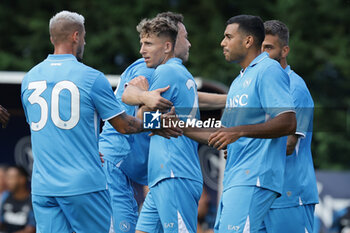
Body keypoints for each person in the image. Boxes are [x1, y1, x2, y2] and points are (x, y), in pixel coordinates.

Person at [21, 10, 179, 233]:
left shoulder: (29, 78)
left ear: (51, 38)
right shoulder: (92, 76)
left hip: (43, 187)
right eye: (84, 36)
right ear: (76, 36)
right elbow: (126, 124)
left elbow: (48, 131)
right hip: (86, 183)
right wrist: (156, 123)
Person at [178, 15, 296, 233]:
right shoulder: (239, 80)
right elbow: (222, 134)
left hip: (254, 177)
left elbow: (288, 121)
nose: (223, 42)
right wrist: (179, 126)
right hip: (235, 178)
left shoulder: (268, 70)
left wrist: (239, 132)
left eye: (228, 37)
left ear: (248, 41)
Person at [99, 11, 192, 233]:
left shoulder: (167, 72)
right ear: (171, 41)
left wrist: (227, 99)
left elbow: (187, 97)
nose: (188, 42)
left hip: (131, 169)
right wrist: (146, 99)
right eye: (185, 36)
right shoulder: (149, 69)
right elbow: (135, 108)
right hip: (117, 163)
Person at [134, 16, 203, 233]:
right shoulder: (177, 72)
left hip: (174, 172)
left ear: (166, 47)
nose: (142, 50)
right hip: (164, 175)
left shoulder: (166, 72)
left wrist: (141, 95)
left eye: (148, 44)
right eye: (141, 44)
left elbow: (139, 121)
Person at [259, 20, 318, 233]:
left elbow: (287, 145)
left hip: (290, 194)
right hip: (264, 193)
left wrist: (240, 140)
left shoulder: (296, 88)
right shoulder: (260, 85)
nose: (263, 54)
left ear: (285, 50)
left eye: (269, 47)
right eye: (260, 47)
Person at [0, 166, 35, 233]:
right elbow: (1, 221)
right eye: (7, 178)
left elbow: (32, 229)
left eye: (11, 178)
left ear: (22, 179)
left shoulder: (32, 200)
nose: (8, 182)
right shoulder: (6, 195)